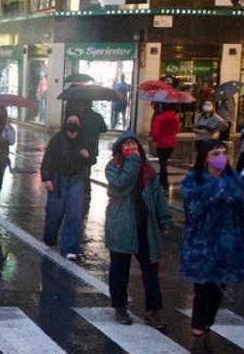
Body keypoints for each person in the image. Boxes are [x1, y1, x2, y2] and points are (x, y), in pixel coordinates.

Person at [179, 140, 244, 354]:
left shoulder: (236, 181)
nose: (221, 156)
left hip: (227, 247)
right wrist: (216, 189)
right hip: (202, 248)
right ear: (206, 158)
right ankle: (197, 338)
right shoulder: (193, 181)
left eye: (223, 152)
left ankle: (207, 331)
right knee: (203, 293)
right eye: (216, 153)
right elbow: (193, 207)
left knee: (217, 292)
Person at [104, 132, 172, 328]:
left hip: (145, 226)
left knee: (151, 269)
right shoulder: (113, 167)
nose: (130, 146)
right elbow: (121, 184)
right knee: (119, 269)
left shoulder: (147, 169)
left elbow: (157, 195)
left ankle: (153, 310)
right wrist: (133, 162)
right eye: (126, 143)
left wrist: (164, 220)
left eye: (133, 142)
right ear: (119, 148)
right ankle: (120, 306)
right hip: (122, 226)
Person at [41, 114, 92, 260]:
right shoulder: (57, 139)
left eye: (76, 121)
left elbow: (91, 159)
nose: (73, 123)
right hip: (58, 179)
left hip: (76, 179)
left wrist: (87, 155)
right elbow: (47, 160)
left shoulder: (83, 141)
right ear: (66, 123)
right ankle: (49, 239)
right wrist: (47, 179)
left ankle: (69, 247)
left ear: (79, 125)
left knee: (74, 214)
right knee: (55, 212)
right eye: (70, 121)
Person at [68, 100, 107, 195]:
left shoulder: (79, 116)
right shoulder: (98, 116)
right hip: (93, 146)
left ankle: (84, 187)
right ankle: (85, 187)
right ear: (91, 105)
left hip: (81, 145)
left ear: (82, 105)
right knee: (87, 166)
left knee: (81, 166)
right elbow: (104, 129)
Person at [149, 103, 180, 187]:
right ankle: (161, 182)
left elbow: (155, 132)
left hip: (161, 143)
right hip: (171, 143)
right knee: (164, 163)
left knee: (163, 164)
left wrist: (155, 141)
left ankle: (165, 184)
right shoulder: (175, 117)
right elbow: (177, 130)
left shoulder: (159, 117)